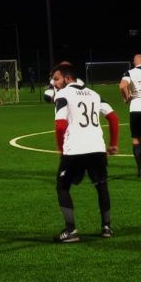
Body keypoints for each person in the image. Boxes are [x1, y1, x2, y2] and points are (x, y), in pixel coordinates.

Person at [50, 62, 119, 242]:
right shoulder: (94, 94)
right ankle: (106, 227)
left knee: (62, 186)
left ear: (67, 78)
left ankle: (71, 231)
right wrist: (113, 144)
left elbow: (60, 126)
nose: (54, 83)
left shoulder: (63, 95)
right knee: (101, 187)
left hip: (75, 149)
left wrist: (61, 150)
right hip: (97, 148)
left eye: (56, 79)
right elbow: (113, 117)